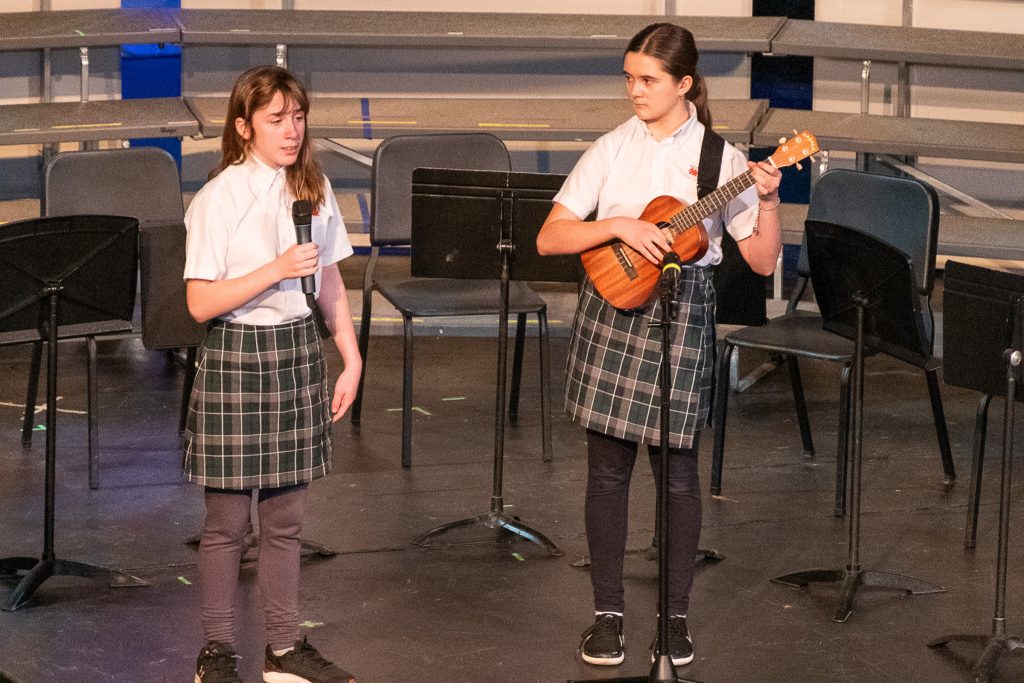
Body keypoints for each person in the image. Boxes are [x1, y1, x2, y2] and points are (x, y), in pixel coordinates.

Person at [536, 22, 782, 668]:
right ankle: (608, 615)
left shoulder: (720, 160)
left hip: (684, 306)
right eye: (629, 77)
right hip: (612, 306)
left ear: (683, 84)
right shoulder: (612, 148)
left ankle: (674, 619)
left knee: (676, 475)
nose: (634, 90)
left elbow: (759, 261)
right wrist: (616, 224)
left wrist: (770, 200)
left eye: (647, 79)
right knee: (607, 470)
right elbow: (550, 237)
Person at [182, 65, 361, 683]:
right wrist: (277, 267)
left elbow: (331, 277)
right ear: (243, 126)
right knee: (227, 523)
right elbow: (200, 303)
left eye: (298, 117)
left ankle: (284, 648)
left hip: (295, 352)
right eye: (276, 119)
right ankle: (217, 651)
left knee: (285, 521)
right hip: (237, 353)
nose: (292, 131)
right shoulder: (218, 198)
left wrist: (351, 356)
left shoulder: (313, 188)